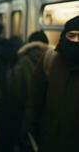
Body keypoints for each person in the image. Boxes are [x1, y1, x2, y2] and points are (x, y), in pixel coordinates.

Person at [23, 15, 79, 152]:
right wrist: (29, 127)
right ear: (63, 36)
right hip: (50, 141)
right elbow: (35, 99)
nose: (76, 41)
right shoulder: (50, 60)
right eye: (71, 36)